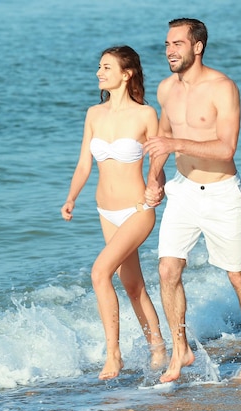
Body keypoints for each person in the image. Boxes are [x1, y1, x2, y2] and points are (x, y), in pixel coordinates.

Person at [143, 18, 241, 383]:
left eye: (178, 44)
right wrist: (154, 177)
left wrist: (174, 144)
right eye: (167, 44)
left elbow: (226, 148)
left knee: (237, 275)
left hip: (222, 192)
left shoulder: (222, 88)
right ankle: (181, 351)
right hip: (183, 190)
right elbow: (163, 136)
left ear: (198, 47)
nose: (169, 51)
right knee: (167, 270)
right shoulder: (166, 89)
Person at [61, 45, 168, 380]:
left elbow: (159, 160)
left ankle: (114, 356)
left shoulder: (145, 115)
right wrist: (71, 198)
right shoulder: (94, 113)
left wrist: (156, 185)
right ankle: (159, 347)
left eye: (106, 68)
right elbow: (83, 164)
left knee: (99, 273)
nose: (99, 73)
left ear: (127, 73)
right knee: (133, 284)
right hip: (105, 211)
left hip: (138, 209)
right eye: (99, 67)